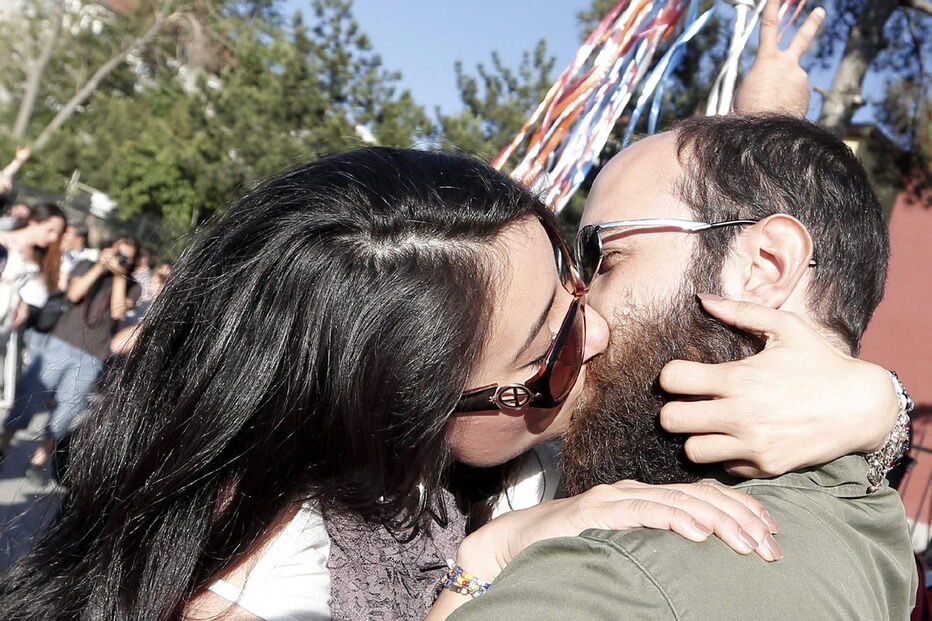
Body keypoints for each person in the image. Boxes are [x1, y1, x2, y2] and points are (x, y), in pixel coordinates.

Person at [0, 145, 905, 621]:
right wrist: (488, 562)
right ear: (403, 417)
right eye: (549, 359)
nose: (593, 333)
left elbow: (717, 249)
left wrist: (877, 405)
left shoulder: (495, 454)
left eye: (578, 274)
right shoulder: (269, 587)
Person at [446, 115, 918, 621]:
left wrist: (485, 559)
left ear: (766, 265)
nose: (583, 312)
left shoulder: (609, 582)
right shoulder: (873, 531)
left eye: (604, 257)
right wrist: (882, 405)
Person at [0, 235, 140, 478]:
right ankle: (3, 446)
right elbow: (74, 294)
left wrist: (120, 276)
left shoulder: (132, 285)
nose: (120, 259)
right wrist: (100, 267)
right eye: (118, 253)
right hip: (60, 342)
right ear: (108, 248)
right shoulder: (86, 265)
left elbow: (118, 311)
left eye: (126, 258)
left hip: (93, 354)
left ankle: (39, 460)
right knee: (30, 396)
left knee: (68, 407)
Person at [0, 203, 66, 407]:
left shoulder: (38, 253)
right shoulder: (4, 239)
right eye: (50, 230)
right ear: (34, 221)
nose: (53, 237)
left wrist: (22, 305)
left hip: (9, 317)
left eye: (57, 233)